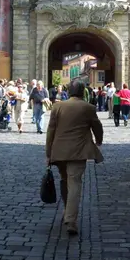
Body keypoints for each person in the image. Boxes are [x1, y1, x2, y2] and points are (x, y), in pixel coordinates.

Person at [46, 80, 103, 236]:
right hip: (79, 151)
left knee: (65, 180)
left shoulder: (57, 106)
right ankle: (71, 219)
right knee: (75, 182)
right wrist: (99, 140)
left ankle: (67, 211)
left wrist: (48, 152)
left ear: (69, 91)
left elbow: (51, 130)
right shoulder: (88, 107)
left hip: (59, 151)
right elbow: (97, 126)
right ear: (82, 91)